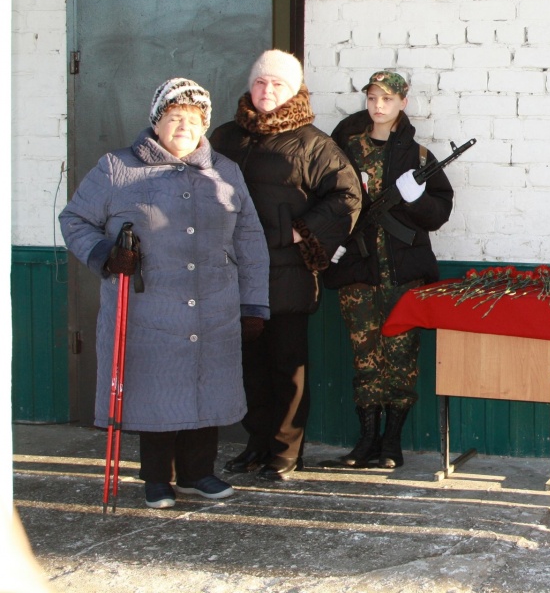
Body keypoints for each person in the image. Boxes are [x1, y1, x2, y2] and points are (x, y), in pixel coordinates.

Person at [59, 78, 270, 508]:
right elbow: (75, 219)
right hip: (149, 305)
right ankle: (156, 479)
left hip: (215, 304)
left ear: (204, 126)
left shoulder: (225, 172)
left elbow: (250, 241)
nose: (183, 127)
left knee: (206, 387)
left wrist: (253, 304)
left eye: (192, 120)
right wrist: (105, 253)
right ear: (157, 122)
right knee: (156, 392)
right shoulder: (117, 168)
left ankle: (199, 473)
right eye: (174, 118)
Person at [210, 50, 362, 481]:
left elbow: (347, 197)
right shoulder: (224, 137)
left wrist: (300, 232)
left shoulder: (313, 143)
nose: (267, 91)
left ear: (294, 89)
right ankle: (256, 444)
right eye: (260, 82)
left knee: (286, 367)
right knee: (248, 366)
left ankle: (285, 452)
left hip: (286, 275)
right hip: (233, 274)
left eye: (277, 83)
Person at [321, 71, 454, 469]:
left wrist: (415, 201)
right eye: (373, 98)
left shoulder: (418, 157)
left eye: (388, 99)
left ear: (403, 103)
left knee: (400, 358)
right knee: (365, 360)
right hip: (358, 274)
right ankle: (366, 441)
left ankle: (391, 442)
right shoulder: (344, 150)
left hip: (404, 277)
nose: (379, 106)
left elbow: (439, 213)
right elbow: (326, 200)